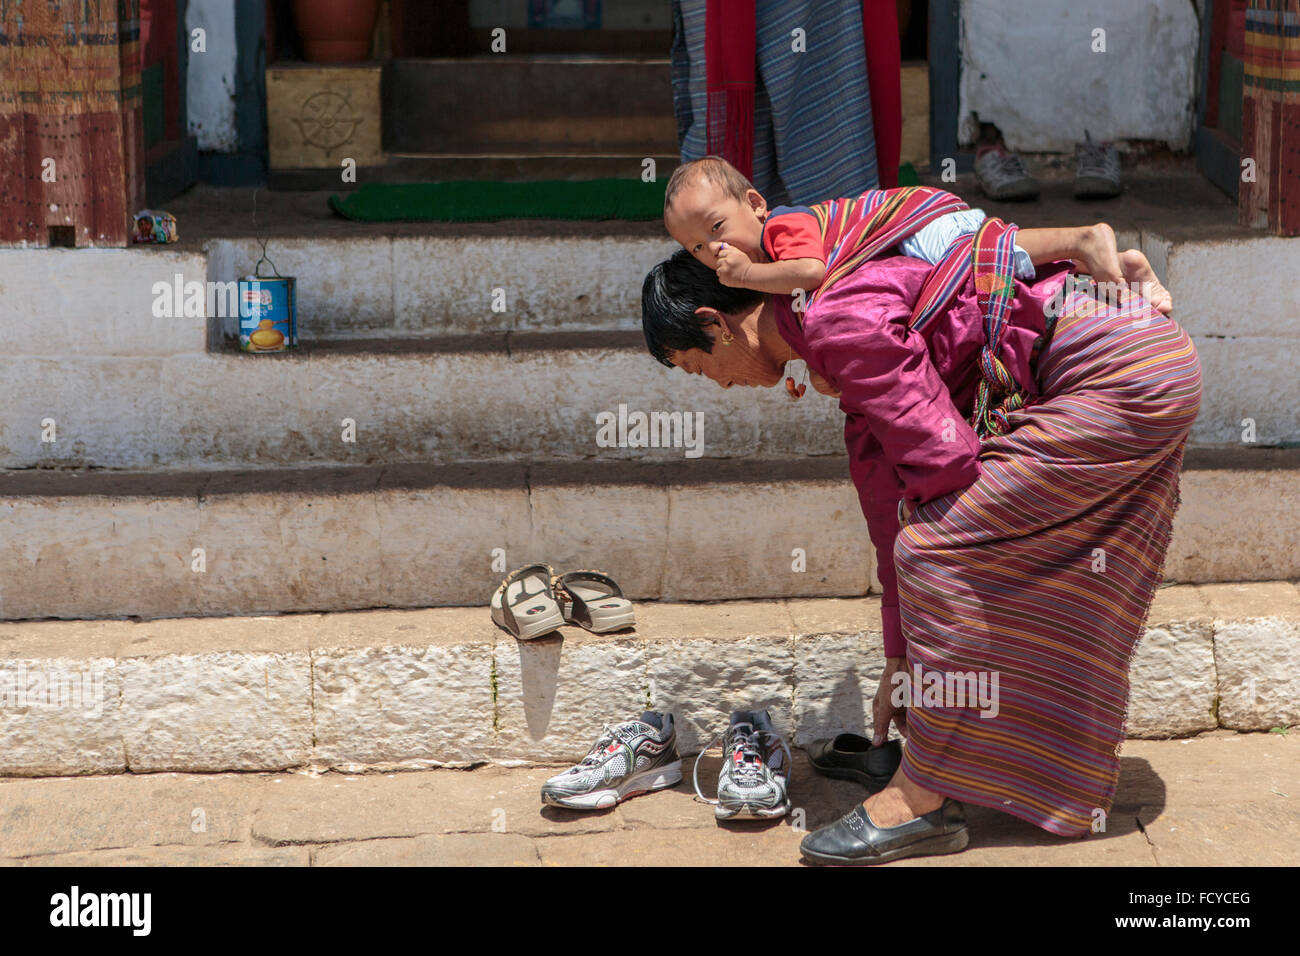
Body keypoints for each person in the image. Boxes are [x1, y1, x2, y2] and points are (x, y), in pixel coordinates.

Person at [640, 190, 1202, 864]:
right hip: (1128, 350)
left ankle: (922, 800)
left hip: (1120, 372)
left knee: (938, 548)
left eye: (699, 367)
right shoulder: (828, 334)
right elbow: (888, 504)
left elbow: (943, 465)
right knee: (939, 545)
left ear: (716, 322)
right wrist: (903, 662)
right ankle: (999, 765)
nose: (718, 385)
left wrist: (932, 626)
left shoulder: (834, 320)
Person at [663, 156, 1170, 311]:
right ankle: (1130, 270)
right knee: (1012, 274)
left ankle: (1082, 239)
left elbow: (812, 272)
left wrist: (748, 274)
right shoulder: (771, 256)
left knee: (985, 257)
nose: (713, 249)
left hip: (916, 222)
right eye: (697, 247)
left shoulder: (783, 228)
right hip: (913, 226)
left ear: (755, 204)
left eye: (716, 227)